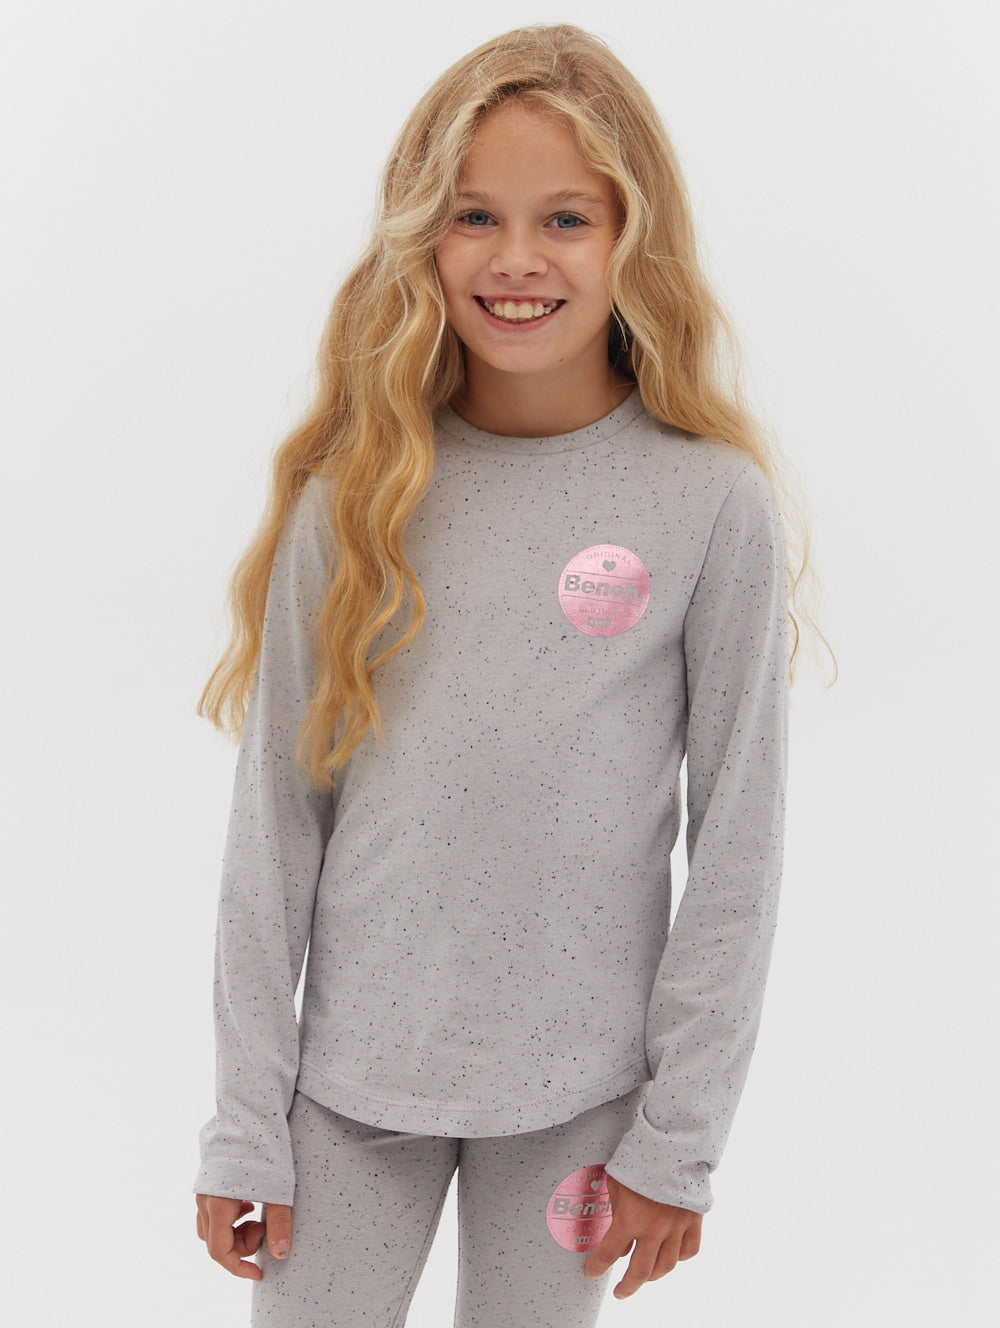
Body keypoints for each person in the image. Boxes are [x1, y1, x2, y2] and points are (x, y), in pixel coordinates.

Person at [192, 21, 831, 1327]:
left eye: (566, 219)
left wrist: (678, 1137)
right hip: (348, 1096)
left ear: (633, 237)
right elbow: (272, 831)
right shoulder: (352, 500)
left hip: (579, 1107)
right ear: (420, 235)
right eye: (474, 215)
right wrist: (246, 1123)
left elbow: (738, 844)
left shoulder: (709, 505)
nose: (517, 259)